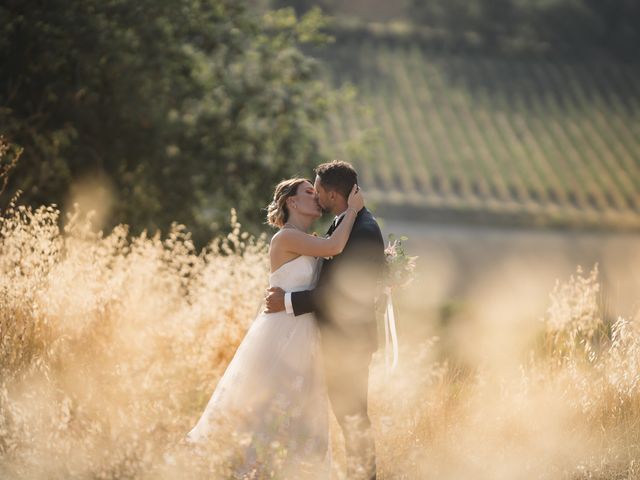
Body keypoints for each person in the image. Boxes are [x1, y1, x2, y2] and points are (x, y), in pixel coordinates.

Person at [186, 177, 364, 479]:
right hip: (282, 333)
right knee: (269, 407)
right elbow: (335, 246)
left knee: (300, 410)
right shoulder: (285, 238)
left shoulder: (309, 238)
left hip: (305, 333)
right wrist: (353, 211)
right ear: (292, 202)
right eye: (309, 192)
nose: (316, 196)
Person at [265, 161, 385, 480]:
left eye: (317, 190)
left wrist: (288, 300)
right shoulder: (344, 224)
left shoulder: (360, 228)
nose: (316, 196)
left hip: (349, 343)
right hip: (328, 338)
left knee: (353, 417)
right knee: (341, 416)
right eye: (310, 191)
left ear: (332, 194)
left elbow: (339, 294)